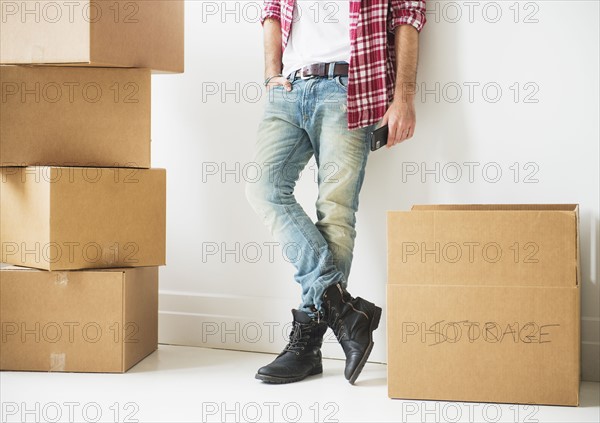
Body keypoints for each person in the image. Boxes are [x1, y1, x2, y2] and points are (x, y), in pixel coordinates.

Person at [245, 0, 426, 384]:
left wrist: (404, 98)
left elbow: (408, 17)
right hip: (289, 87)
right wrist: (270, 73)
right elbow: (273, 10)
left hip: (350, 87)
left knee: (336, 210)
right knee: (263, 188)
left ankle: (307, 344)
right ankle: (344, 311)